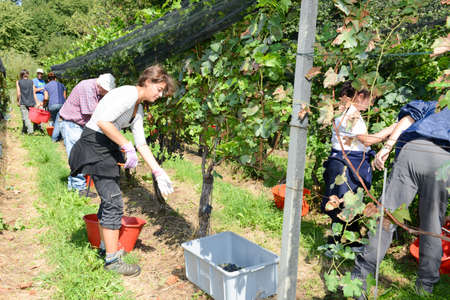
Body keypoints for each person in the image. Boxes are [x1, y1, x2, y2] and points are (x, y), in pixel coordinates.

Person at [69, 64, 176, 276]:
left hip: (105, 147)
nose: (160, 94)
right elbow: (103, 122)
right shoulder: (127, 94)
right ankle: (112, 261)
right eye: (159, 89)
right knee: (113, 202)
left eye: (163, 91)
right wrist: (126, 145)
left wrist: (157, 171)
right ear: (147, 81)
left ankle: (104, 248)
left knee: (110, 200)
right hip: (95, 145)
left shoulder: (138, 107)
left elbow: (142, 144)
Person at [352, 100, 449, 298]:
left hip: (413, 150)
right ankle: (425, 289)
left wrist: (386, 148)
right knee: (432, 226)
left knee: (387, 216)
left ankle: (359, 280)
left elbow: (406, 120)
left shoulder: (438, 102)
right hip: (443, 161)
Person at [321, 82, 396, 251]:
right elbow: (366, 140)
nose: (373, 103)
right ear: (361, 96)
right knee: (343, 203)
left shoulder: (346, 110)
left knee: (352, 202)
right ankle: (335, 245)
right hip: (345, 165)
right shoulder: (350, 114)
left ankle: (351, 241)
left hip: (347, 162)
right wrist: (391, 129)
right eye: (372, 98)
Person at [59, 73, 116, 197]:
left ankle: (73, 188)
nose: (105, 93)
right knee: (79, 156)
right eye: (105, 91)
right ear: (100, 85)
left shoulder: (98, 91)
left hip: (79, 125)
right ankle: (80, 189)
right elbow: (92, 112)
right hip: (72, 124)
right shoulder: (87, 87)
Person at [44, 72, 66, 142]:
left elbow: (46, 98)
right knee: (58, 121)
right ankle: (59, 136)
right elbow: (64, 97)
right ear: (55, 78)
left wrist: (43, 104)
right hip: (62, 105)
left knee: (55, 121)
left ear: (48, 79)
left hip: (52, 105)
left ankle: (54, 138)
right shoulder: (62, 85)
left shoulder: (46, 86)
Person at [16, 69, 38, 134]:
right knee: (29, 117)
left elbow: (18, 93)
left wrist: (18, 101)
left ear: (21, 75)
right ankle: (24, 130)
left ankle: (30, 130)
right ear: (27, 74)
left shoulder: (18, 82)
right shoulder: (31, 82)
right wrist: (36, 102)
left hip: (23, 102)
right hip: (31, 101)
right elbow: (34, 92)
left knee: (25, 117)